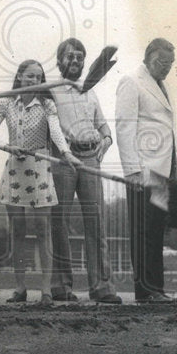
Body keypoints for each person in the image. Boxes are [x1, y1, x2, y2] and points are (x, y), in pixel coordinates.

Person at [0, 60, 80, 304]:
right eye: (29, 77)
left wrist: (66, 153)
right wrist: (8, 147)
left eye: (37, 78)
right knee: (17, 231)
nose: (33, 81)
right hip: (15, 170)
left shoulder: (47, 105)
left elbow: (56, 131)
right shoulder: (6, 102)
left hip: (40, 169)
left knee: (43, 231)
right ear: (19, 77)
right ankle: (20, 288)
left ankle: (46, 290)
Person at [49, 38, 122, 304]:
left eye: (80, 57)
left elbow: (105, 128)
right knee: (60, 223)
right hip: (63, 159)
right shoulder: (51, 90)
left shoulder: (90, 92)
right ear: (60, 61)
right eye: (70, 56)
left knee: (96, 223)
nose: (75, 61)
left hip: (91, 157)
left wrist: (105, 142)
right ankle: (61, 286)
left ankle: (102, 287)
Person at [114, 38, 177, 304]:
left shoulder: (163, 87)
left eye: (170, 64)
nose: (166, 68)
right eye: (162, 62)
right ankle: (145, 290)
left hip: (164, 171)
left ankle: (157, 289)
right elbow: (124, 126)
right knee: (142, 231)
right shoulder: (131, 82)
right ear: (148, 57)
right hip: (143, 170)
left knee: (156, 231)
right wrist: (132, 171)